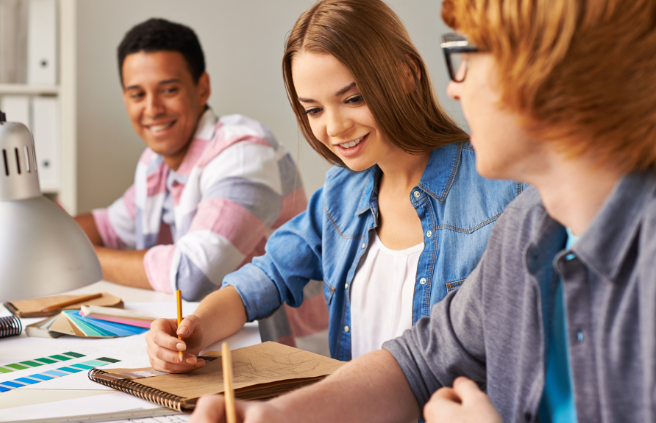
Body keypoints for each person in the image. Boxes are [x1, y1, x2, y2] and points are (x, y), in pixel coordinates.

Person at [177, 0, 656, 423]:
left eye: (467, 56)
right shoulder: (530, 228)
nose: (454, 86)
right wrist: (275, 422)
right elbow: (417, 363)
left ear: (550, 74)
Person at [145, 0, 521, 373]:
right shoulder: (342, 192)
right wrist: (195, 328)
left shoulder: (505, 189)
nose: (335, 127)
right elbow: (266, 277)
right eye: (314, 110)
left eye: (353, 98)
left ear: (408, 75)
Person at [0, 19, 315, 309]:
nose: (151, 109)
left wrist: (68, 257)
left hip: (282, 359)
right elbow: (109, 226)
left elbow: (192, 276)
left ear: (202, 88)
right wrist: (6, 236)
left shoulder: (244, 152)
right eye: (137, 94)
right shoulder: (155, 162)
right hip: (212, 345)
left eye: (168, 89)